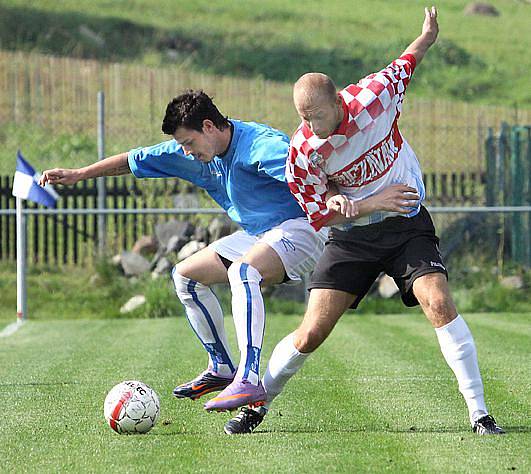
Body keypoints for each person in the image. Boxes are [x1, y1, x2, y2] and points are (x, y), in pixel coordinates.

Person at [39, 90, 417, 431]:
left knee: (244, 272)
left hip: (303, 227)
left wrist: (359, 202)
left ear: (209, 126)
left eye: (189, 143)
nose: (186, 152)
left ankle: (249, 377)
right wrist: (79, 174)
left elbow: (313, 171)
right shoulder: (192, 151)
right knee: (185, 275)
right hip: (259, 233)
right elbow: (134, 159)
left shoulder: (262, 147)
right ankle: (221, 366)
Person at [228, 6, 504, 436]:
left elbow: (404, 64)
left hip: (407, 224)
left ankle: (480, 413)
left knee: (438, 301)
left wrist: (427, 36)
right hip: (352, 238)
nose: (310, 127)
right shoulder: (302, 151)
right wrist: (359, 202)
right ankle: (256, 405)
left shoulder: (374, 97)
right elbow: (317, 211)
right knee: (311, 333)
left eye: (317, 116)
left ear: (338, 102)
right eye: (302, 118)